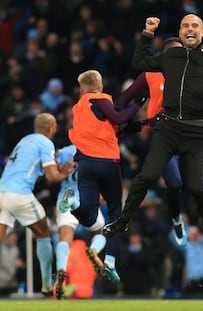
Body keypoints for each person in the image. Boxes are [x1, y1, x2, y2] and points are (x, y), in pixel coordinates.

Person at [103, 15, 203, 254]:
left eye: (195, 25)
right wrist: (147, 34)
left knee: (199, 188)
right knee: (146, 178)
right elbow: (139, 62)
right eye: (185, 26)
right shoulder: (169, 57)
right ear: (179, 32)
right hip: (167, 129)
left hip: (196, 130)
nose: (190, 29)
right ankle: (123, 221)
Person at [68, 70, 139, 282]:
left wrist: (128, 131)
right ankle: (109, 261)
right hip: (107, 163)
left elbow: (105, 130)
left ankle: (72, 203)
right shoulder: (100, 99)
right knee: (117, 214)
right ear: (100, 87)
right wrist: (137, 105)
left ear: (81, 90)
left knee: (89, 216)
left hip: (86, 165)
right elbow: (117, 116)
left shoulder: (78, 108)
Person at [0, 113, 73, 296]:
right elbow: (51, 177)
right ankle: (48, 285)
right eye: (55, 126)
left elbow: (33, 168)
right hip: (20, 195)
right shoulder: (45, 142)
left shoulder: (25, 141)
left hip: (2, 192)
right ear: (50, 128)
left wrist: (53, 160)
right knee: (43, 233)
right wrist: (64, 172)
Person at [52, 144, 109, 299]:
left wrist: (60, 166)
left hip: (64, 197)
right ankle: (94, 250)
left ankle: (60, 275)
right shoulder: (96, 150)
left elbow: (50, 174)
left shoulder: (63, 152)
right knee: (101, 232)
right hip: (87, 199)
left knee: (64, 240)